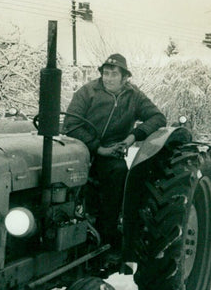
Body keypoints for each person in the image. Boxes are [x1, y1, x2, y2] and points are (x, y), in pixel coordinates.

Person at [62, 53, 166, 258]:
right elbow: (71, 124)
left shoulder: (134, 96)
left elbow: (157, 117)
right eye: (105, 73)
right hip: (83, 147)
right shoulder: (88, 92)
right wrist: (96, 147)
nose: (107, 78)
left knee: (119, 173)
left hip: (111, 152)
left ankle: (107, 234)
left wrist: (131, 138)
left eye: (113, 74)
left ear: (124, 77)